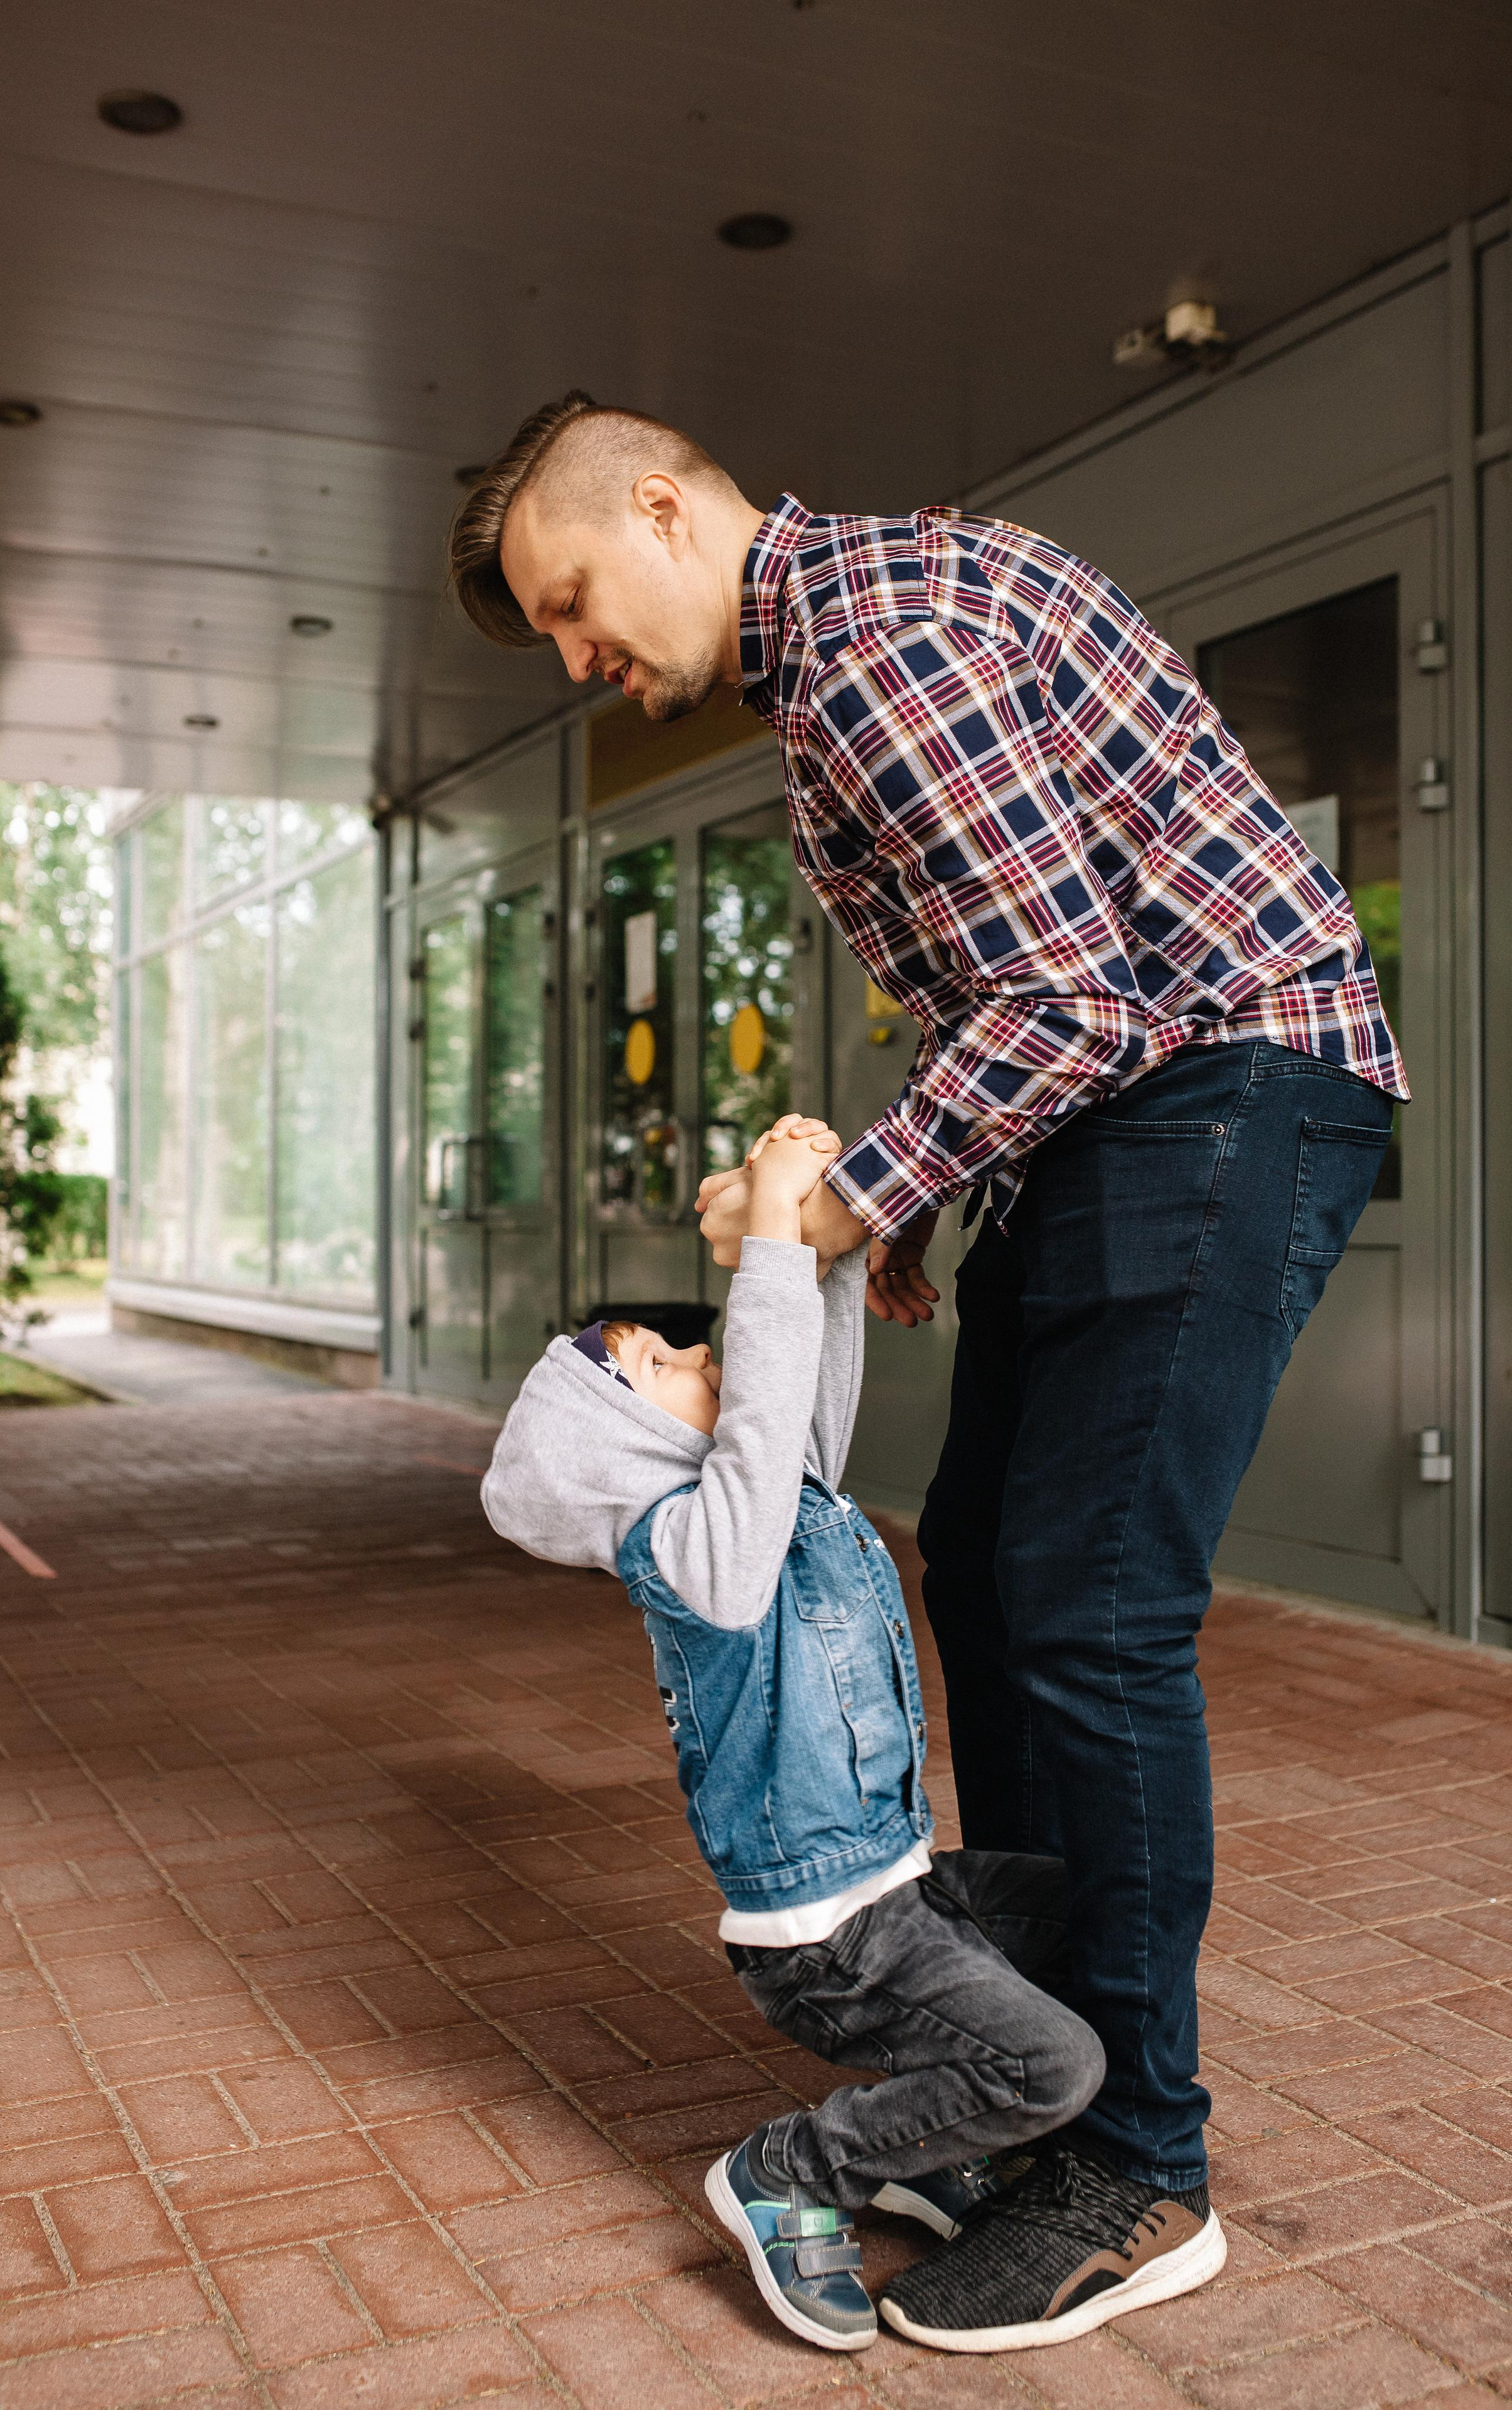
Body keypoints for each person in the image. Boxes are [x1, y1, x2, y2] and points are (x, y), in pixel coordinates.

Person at [448, 392, 1406, 2351]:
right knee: (979, 1570)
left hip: (1227, 1097)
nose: (577, 660)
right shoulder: (841, 679)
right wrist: (911, 1207)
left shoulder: (879, 638)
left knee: (1091, 1613)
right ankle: (1039, 2090)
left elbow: (1070, 999)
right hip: (1125, 1117)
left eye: (571, 603)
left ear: (658, 506)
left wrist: (854, 1194)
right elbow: (1027, 979)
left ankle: (1137, 2163)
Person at [478, 1121, 1120, 2354]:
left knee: (1108, 1913)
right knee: (1055, 2070)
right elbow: (761, 1431)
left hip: (899, 1891)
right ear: (625, 1446)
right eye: (663, 1362)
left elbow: (799, 1408)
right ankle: (793, 2169)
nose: (700, 1352)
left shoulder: (777, 1508)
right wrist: (767, 1239)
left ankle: (928, 2153)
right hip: (827, 1941)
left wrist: (826, 1253)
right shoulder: (686, 1556)